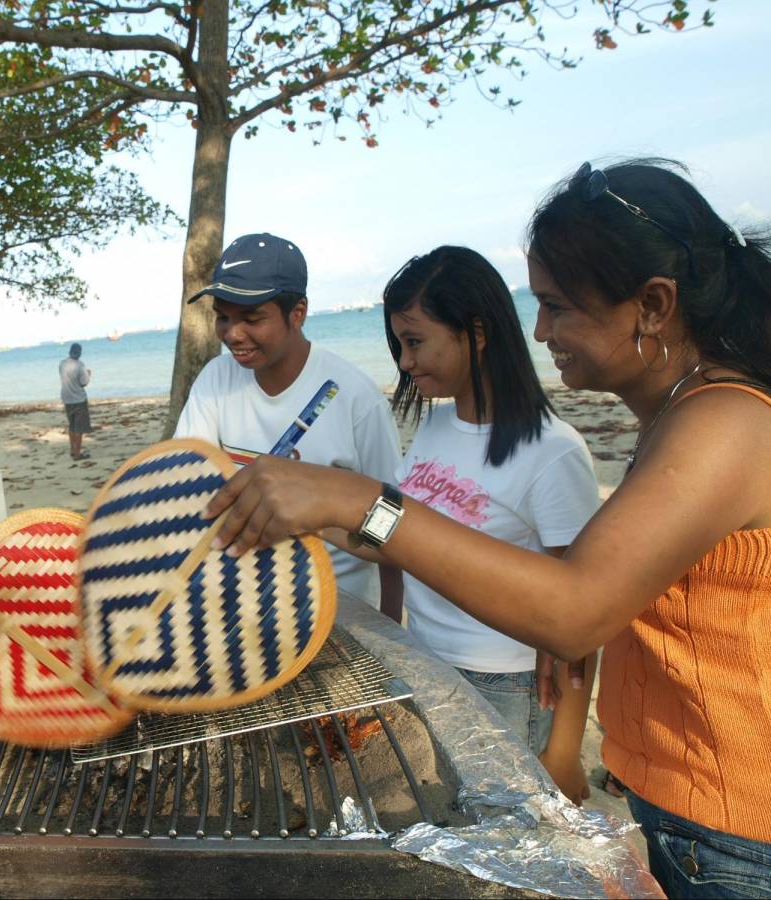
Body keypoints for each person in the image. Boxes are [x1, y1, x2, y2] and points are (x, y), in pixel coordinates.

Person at [205, 160, 771, 897]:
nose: (539, 329)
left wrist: (354, 499)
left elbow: (575, 610)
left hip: (731, 826)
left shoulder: (724, 422)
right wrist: (330, 511)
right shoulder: (681, 417)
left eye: (559, 306)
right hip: (681, 801)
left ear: (654, 305)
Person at [375, 246, 600, 802]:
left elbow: (580, 623)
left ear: (476, 332)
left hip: (506, 685)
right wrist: (316, 514)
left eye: (415, 341)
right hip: (428, 662)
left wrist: (564, 753)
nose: (404, 362)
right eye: (399, 345)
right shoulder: (436, 426)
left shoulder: (553, 452)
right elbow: (392, 532)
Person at [174, 232, 404, 619]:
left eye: (251, 318)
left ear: (297, 313)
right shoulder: (216, 379)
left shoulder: (355, 398)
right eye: (223, 317)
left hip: (336, 613)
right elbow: (183, 482)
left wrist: (395, 630)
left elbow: (395, 524)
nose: (232, 334)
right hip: (238, 609)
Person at [60, 341, 92, 459]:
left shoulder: (62, 364)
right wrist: (88, 374)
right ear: (79, 353)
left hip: (66, 397)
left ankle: (73, 450)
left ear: (70, 352)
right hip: (78, 399)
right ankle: (77, 453)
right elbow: (83, 383)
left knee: (72, 426)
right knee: (79, 428)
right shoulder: (80, 365)